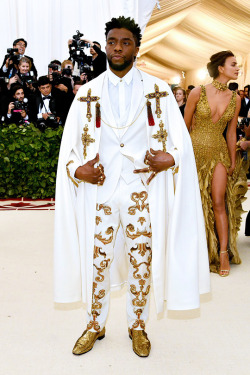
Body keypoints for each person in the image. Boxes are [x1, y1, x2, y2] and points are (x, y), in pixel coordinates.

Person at [54, 16, 210, 357]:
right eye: (112, 41)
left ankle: (137, 324)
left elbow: (180, 143)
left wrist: (172, 158)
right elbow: (68, 153)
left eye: (125, 42)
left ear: (136, 47)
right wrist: (77, 170)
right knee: (98, 261)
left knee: (142, 259)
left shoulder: (159, 90)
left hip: (142, 191)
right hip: (102, 193)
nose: (118, 48)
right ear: (106, 45)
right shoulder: (87, 93)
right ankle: (95, 323)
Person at [184, 50, 241, 276]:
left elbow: (231, 132)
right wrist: (180, 156)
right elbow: (184, 127)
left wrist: (232, 161)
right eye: (233, 64)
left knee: (218, 201)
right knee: (193, 203)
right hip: (194, 151)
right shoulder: (198, 92)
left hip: (218, 152)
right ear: (221, 68)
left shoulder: (235, 98)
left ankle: (223, 253)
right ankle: (192, 252)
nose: (238, 68)